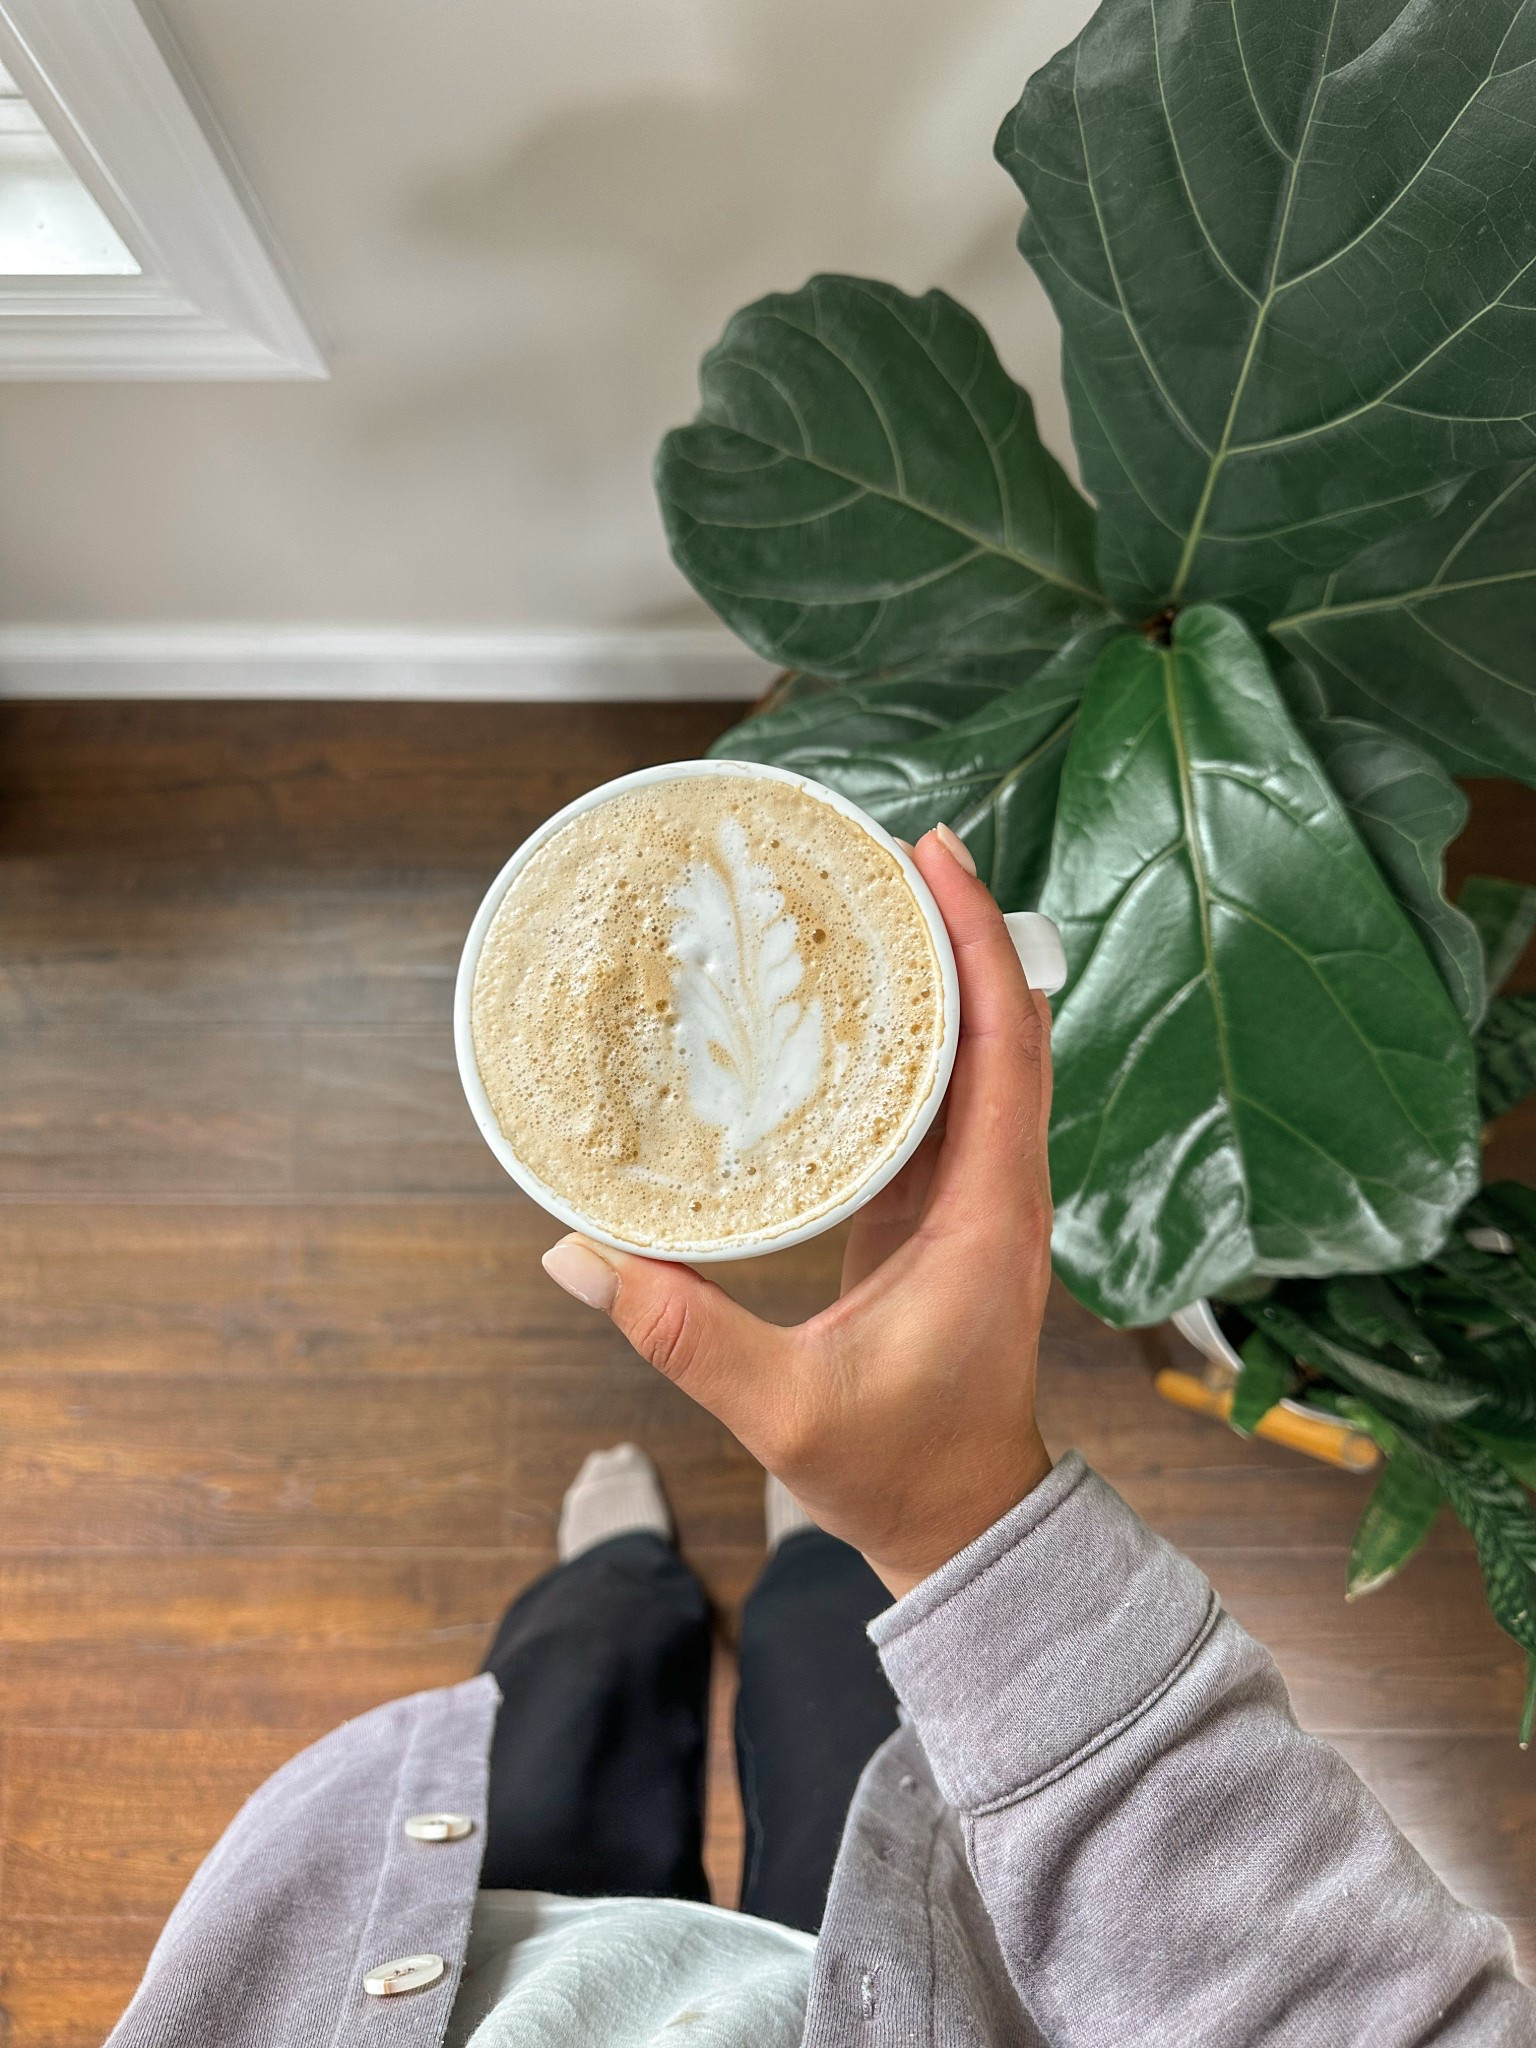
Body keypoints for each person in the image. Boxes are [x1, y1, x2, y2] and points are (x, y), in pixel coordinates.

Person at [108, 825, 1533, 2047]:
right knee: (836, 1682)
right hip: (879, 1996)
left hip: (454, 1966)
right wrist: (954, 1520)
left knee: (575, 1674)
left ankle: (633, 1587)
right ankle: (817, 1550)